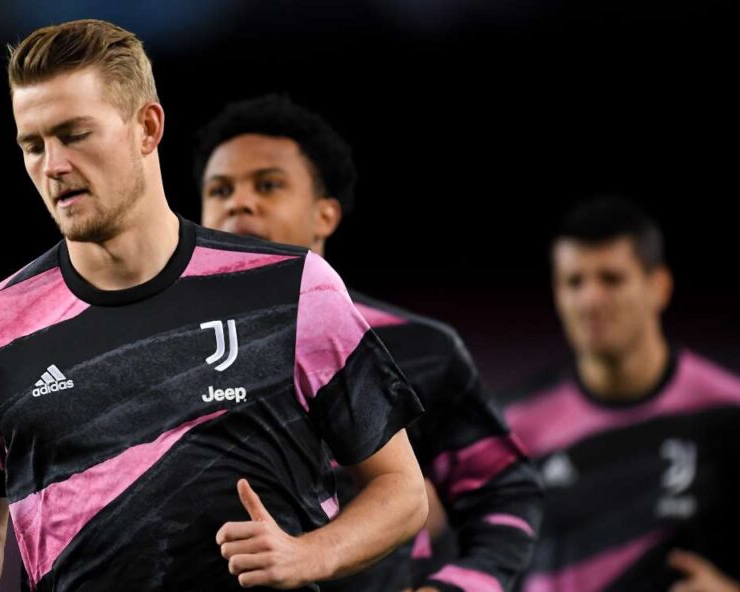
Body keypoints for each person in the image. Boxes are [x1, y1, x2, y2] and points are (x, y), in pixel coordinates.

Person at [0, 20, 429, 592]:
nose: (53, 165)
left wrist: (309, 555)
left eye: (75, 134)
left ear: (147, 127)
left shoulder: (293, 289)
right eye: (33, 146)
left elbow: (401, 491)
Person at [195, 94, 542, 592]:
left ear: (325, 215)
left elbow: (504, 490)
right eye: (220, 189)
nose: (239, 203)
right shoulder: (162, 351)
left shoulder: (419, 348)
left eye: (268, 185)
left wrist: (455, 587)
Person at [502, 197, 740, 591]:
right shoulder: (515, 425)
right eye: (574, 282)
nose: (591, 300)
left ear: (659, 287)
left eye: (611, 279)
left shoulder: (726, 413)